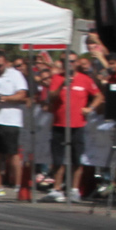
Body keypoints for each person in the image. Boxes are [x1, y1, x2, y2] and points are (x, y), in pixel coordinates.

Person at [43, 55, 100, 202]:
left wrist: (90, 108)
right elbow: (52, 97)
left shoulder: (85, 79)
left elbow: (99, 96)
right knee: (58, 159)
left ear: (77, 63)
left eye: (72, 61)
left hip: (78, 125)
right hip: (59, 124)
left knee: (77, 159)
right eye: (66, 61)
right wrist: (62, 84)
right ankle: (57, 189)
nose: (69, 64)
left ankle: (74, 190)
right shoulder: (57, 78)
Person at [0, 53, 27, 196]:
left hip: (10, 120)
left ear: (6, 63)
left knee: (12, 153)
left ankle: (19, 185)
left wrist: (5, 98)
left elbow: (22, 94)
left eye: (0, 66)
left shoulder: (15, 75)